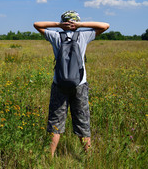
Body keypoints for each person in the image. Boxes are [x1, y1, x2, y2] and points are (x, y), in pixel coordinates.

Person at [33, 11, 109, 157]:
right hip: (80, 84)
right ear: (76, 23)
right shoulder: (83, 35)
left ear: (63, 22)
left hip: (59, 83)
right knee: (82, 120)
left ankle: (50, 157)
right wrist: (80, 25)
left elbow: (37, 25)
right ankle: (88, 157)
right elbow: (105, 26)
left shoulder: (56, 36)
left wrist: (58, 25)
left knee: (55, 121)